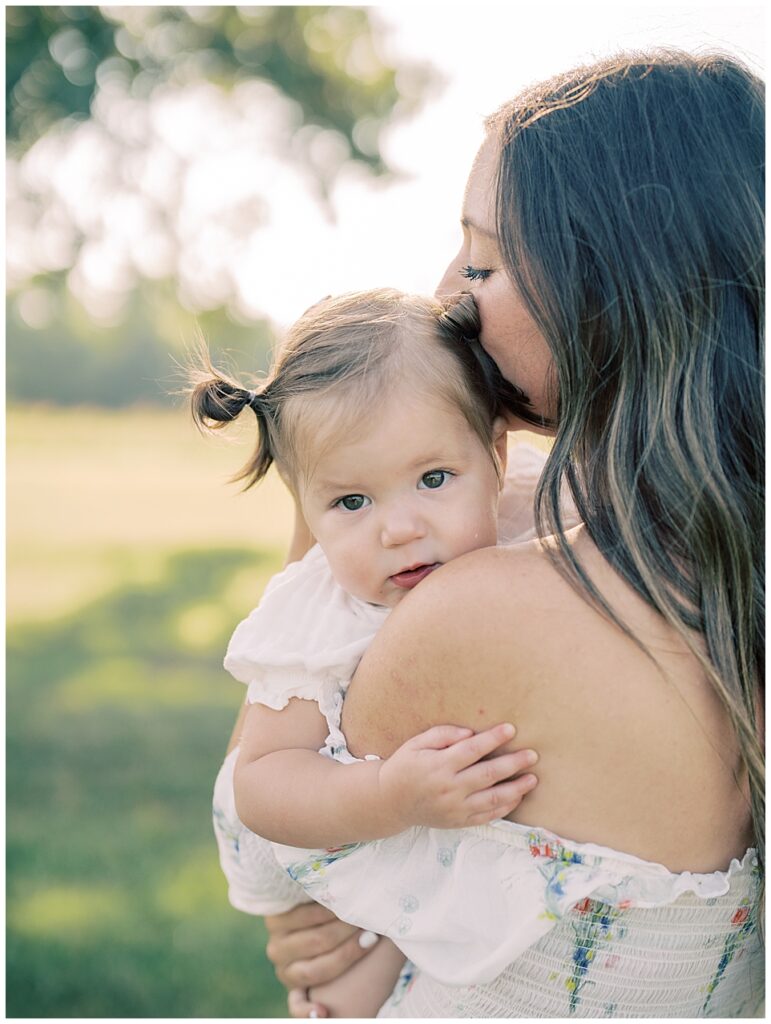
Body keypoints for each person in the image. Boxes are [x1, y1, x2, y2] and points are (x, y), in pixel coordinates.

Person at [257, 50, 764, 1018]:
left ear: (613, 288)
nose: (448, 293)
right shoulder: (729, 564)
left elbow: (268, 833)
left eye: (483, 261)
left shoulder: (489, 608)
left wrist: (329, 486)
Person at [194, 289, 553, 1017]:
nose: (398, 528)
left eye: (432, 480)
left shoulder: (525, 506)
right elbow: (261, 782)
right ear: (305, 504)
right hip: (320, 820)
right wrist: (388, 796)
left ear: (495, 453)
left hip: (412, 796)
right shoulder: (318, 614)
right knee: (360, 978)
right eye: (351, 502)